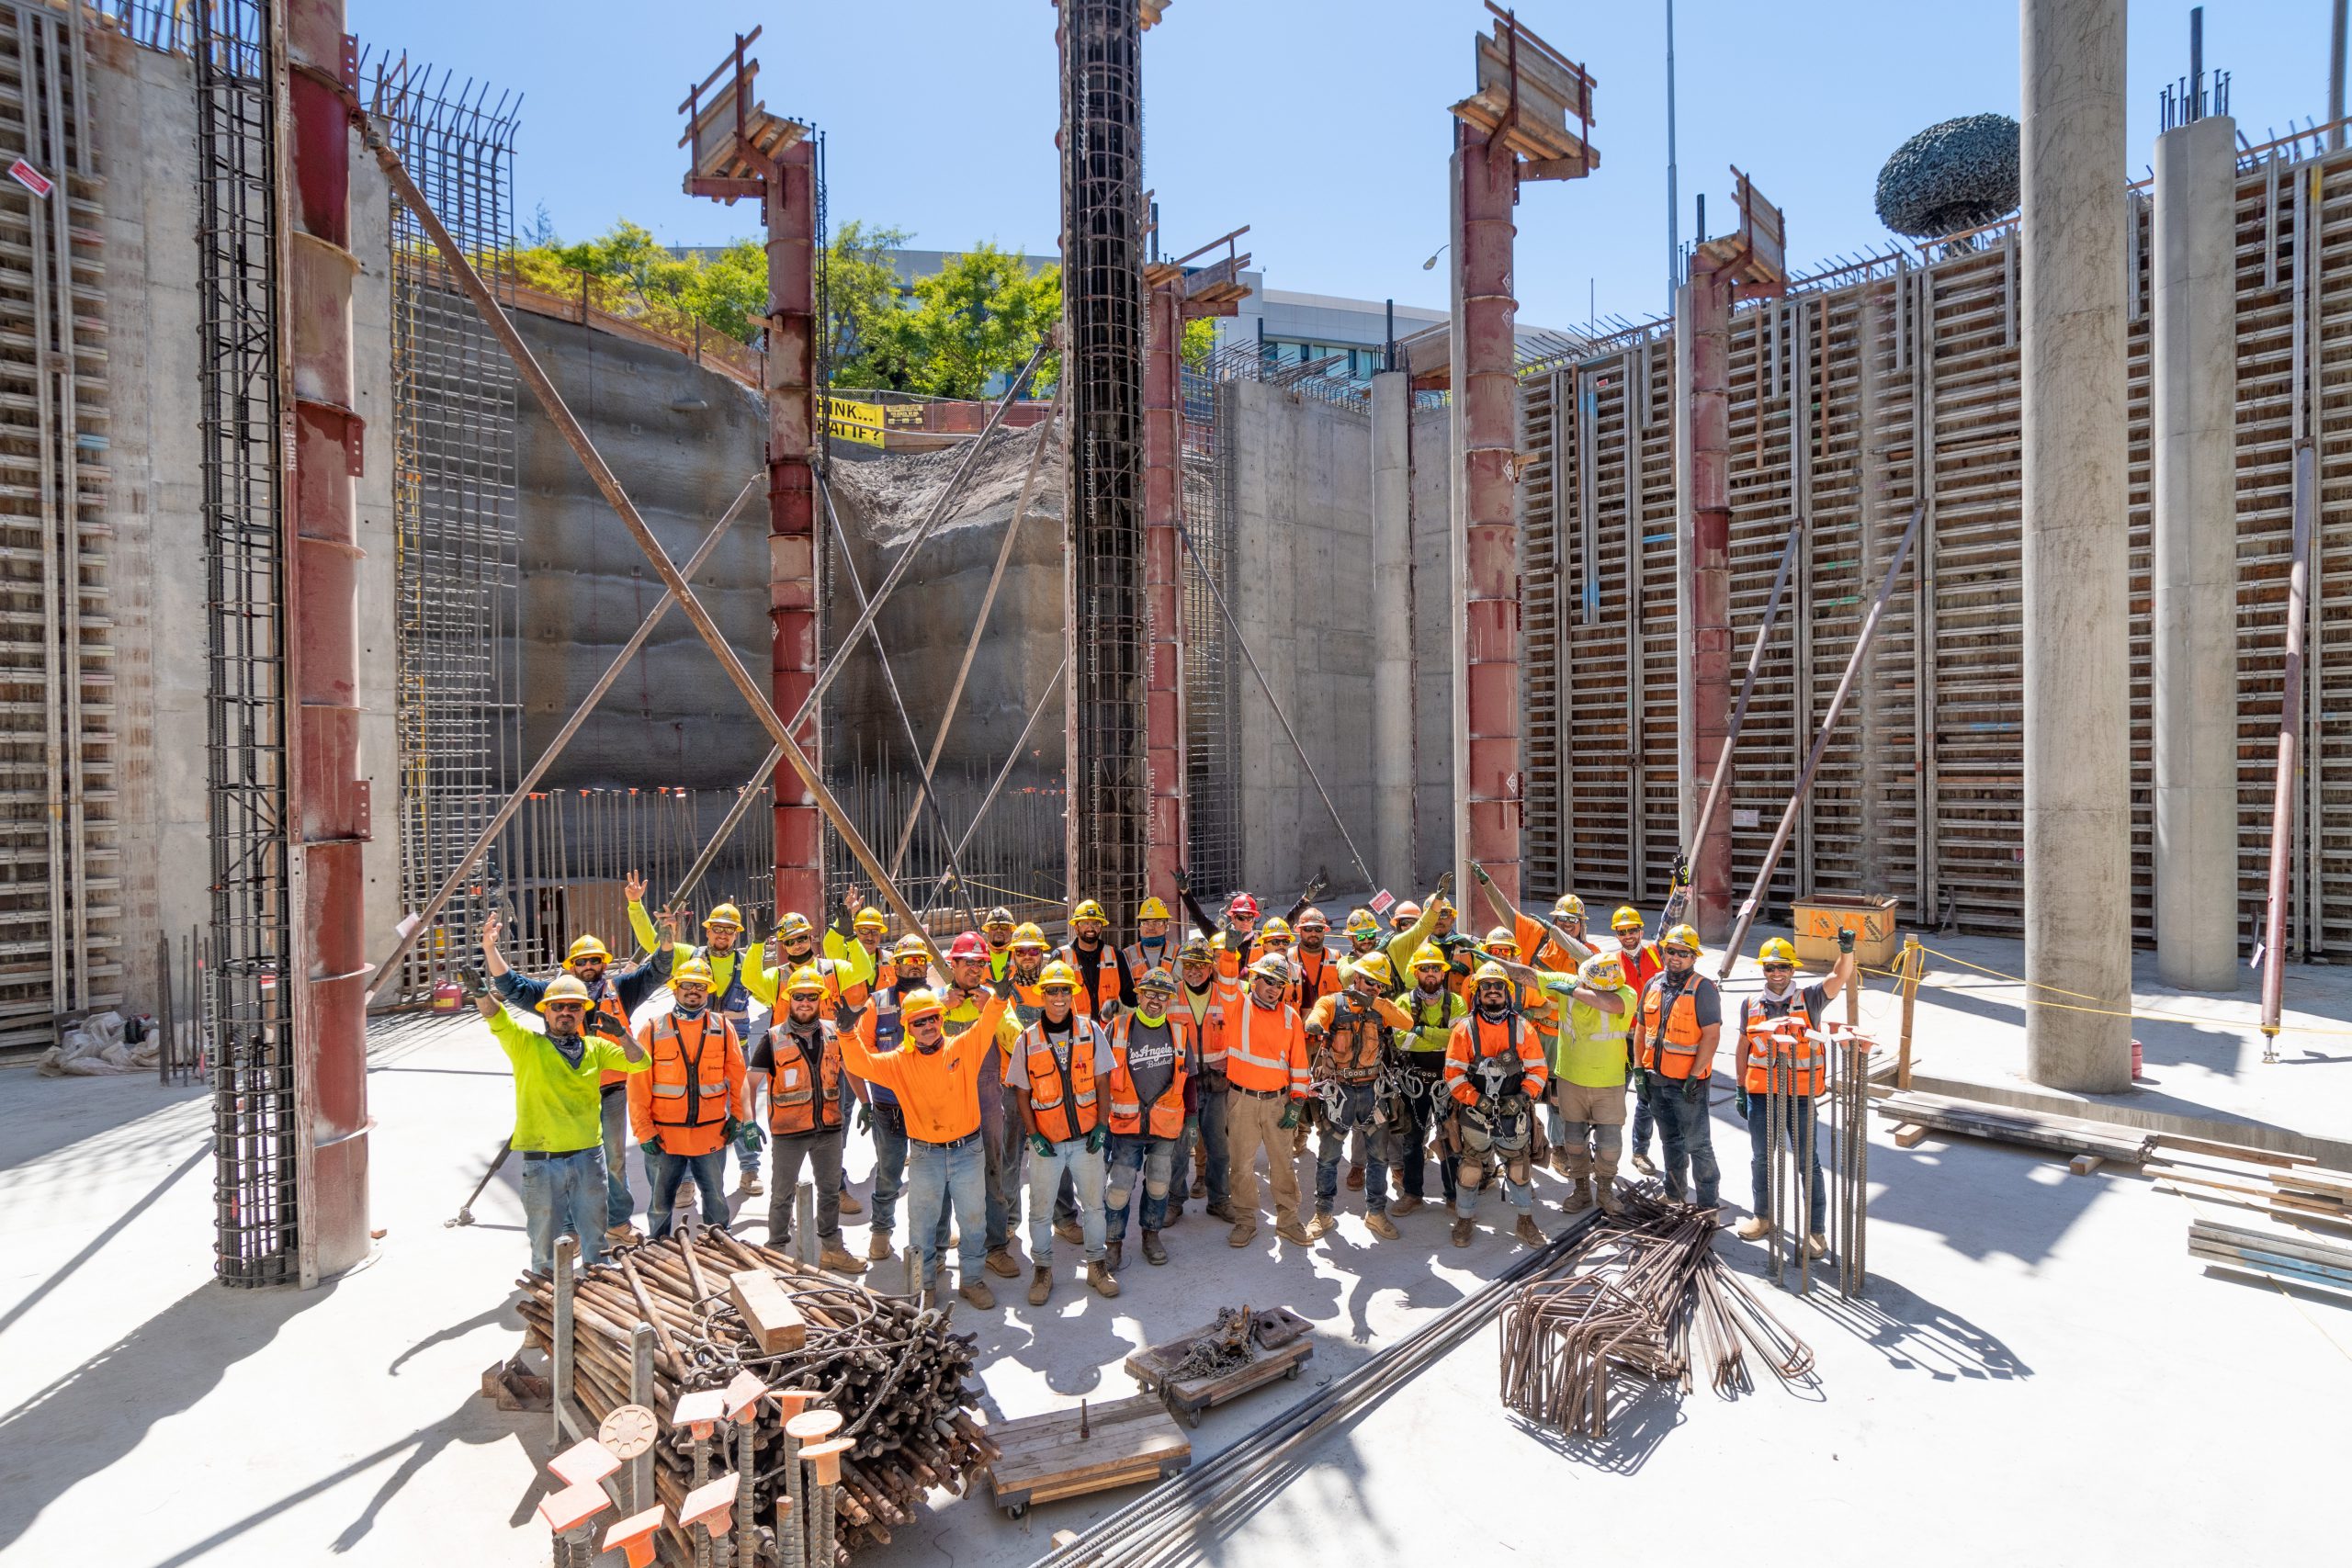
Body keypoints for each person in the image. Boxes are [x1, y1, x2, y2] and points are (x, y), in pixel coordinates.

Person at [481, 887, 668, 1248]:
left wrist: (665, 937)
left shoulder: (620, 990)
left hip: (611, 1091)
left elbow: (658, 971)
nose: (589, 967)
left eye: (595, 961)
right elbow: (512, 985)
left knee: (612, 1161)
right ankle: (570, 1229)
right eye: (582, 961)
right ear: (571, 965)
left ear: (603, 963)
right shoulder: (555, 996)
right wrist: (490, 949)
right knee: (567, 1161)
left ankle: (616, 1223)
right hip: (568, 1092)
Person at [838, 972, 1015, 1309]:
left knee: (973, 1221)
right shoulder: (898, 1063)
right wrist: (847, 1033)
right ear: (909, 1027)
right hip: (925, 1155)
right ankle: (924, 1286)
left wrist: (1000, 999)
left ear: (941, 1018)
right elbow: (859, 1062)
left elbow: (988, 1022)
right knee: (922, 1226)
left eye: (933, 1018)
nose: (928, 1026)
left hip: (968, 1151)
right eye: (919, 1022)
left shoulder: (963, 1048)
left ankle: (973, 1281)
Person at [472, 969, 647, 1273]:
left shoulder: (597, 1049)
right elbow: (497, 1018)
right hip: (543, 1162)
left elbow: (641, 1062)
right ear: (546, 1012)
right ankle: (548, 1303)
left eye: (574, 1007)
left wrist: (620, 1034)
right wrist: (480, 993)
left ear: (583, 1013)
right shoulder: (526, 1045)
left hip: (589, 1158)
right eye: (558, 1006)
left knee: (596, 1239)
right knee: (544, 1242)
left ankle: (599, 1288)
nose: (565, 1013)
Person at [1734, 931, 1856, 1255]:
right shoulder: (1750, 1004)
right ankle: (1763, 1217)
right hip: (1761, 1095)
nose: (1777, 973)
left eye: (1783, 967)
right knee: (1762, 1160)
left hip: (1799, 1096)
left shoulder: (1810, 998)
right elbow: (1743, 1047)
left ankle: (1816, 1233)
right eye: (1771, 967)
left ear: (1792, 970)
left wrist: (1846, 951)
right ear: (1763, 969)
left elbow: (1839, 975)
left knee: (1807, 1164)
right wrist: (1740, 1087)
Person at [1007, 962, 1120, 1303]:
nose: (1058, 997)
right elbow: (1022, 1093)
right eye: (1052, 990)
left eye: (1064, 990)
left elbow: (1103, 1080)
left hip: (1087, 1140)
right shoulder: (1027, 1040)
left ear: (1073, 994)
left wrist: (1103, 1124)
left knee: (1094, 1207)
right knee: (1041, 1211)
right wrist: (1033, 1135)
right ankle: (1042, 1271)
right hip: (1048, 1144)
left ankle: (1097, 1267)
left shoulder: (1090, 1030)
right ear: (1042, 995)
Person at [749, 965, 865, 1273]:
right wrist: (748, 1121)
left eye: (811, 997)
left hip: (828, 1129)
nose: (804, 1002)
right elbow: (750, 1083)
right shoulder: (773, 1038)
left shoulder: (832, 1032)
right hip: (789, 1132)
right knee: (781, 1195)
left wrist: (866, 1103)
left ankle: (831, 1249)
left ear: (819, 1000)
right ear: (789, 1000)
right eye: (799, 996)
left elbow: (851, 1069)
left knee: (830, 1192)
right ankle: (777, 1254)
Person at [627, 957, 749, 1240]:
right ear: (675, 989)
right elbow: (638, 1085)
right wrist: (643, 1130)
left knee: (715, 1200)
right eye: (688, 986)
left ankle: (719, 1246)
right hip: (665, 1138)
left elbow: (738, 1077)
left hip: (711, 1135)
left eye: (701, 987)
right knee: (659, 1206)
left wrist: (739, 1117)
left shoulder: (722, 1027)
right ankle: (658, 1249)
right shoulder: (653, 1029)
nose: (694, 991)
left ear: (708, 992)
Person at [934, 931, 1025, 1280]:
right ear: (952, 964)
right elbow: (910, 1036)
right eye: (968, 963)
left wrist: (998, 1006)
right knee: (942, 1176)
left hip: (987, 1096)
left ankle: (996, 1247)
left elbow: (1015, 1038)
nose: (974, 970)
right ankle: (939, 1250)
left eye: (980, 963)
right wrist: (944, 1005)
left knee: (995, 1173)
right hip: (946, 1098)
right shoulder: (936, 1003)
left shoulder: (994, 1002)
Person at [1305, 953, 1411, 1241]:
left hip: (1373, 1090)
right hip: (1339, 1091)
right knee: (1328, 1156)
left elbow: (1406, 1022)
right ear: (1356, 978)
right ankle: (1323, 1214)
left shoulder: (1381, 1008)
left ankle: (1376, 1214)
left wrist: (1374, 1002)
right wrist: (1315, 1024)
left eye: (1379, 985)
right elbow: (1317, 1013)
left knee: (1378, 1157)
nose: (1373, 987)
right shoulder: (1333, 1002)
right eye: (1369, 982)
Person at [1442, 962, 1550, 1247]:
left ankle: (1525, 1220)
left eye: (1498, 986)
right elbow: (1452, 1073)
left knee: (1518, 1166)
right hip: (1475, 1113)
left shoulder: (1523, 1028)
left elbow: (1538, 1070)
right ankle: (1464, 1218)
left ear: (1508, 992)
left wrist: (1524, 1096)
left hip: (1514, 1114)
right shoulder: (1464, 1029)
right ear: (1478, 994)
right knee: (1471, 1167)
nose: (1492, 991)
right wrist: (1474, 1099)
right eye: (1486, 987)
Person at [1102, 964, 1195, 1269]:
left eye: (1163, 996)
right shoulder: (1116, 1028)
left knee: (1158, 1185)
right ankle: (1113, 1242)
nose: (1156, 1001)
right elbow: (1099, 1076)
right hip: (1125, 1125)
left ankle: (1151, 1235)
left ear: (1170, 1000)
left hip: (1164, 1126)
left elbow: (1189, 1080)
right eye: (1151, 994)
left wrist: (1192, 1120)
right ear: (1139, 995)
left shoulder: (1179, 1033)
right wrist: (1098, 1121)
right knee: (1118, 1188)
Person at [1220, 951, 1313, 1247]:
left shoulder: (1290, 1017)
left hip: (1278, 1103)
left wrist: (1297, 1102)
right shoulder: (1238, 1006)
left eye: (1279, 984)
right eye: (1268, 981)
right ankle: (1245, 1221)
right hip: (1242, 1101)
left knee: (1283, 1164)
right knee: (1242, 1166)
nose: (1273, 988)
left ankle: (1288, 1220)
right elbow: (1225, 983)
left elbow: (1299, 1063)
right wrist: (1227, 954)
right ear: (1254, 979)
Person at [849, 933, 931, 1260]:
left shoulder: (935, 999)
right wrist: (866, 1102)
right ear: (894, 965)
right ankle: (881, 1231)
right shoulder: (877, 1003)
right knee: (889, 1173)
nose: (913, 968)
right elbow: (858, 1055)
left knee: (931, 1175)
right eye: (906, 962)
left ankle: (933, 1231)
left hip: (929, 1104)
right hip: (889, 1106)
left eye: (919, 961)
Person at [1632, 922, 1723, 1213]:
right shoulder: (1653, 984)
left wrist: (1695, 1075)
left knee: (1698, 1145)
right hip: (1656, 1080)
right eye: (1672, 951)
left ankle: (1708, 1204)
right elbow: (1641, 1029)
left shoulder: (1703, 989)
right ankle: (1674, 1193)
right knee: (1670, 1140)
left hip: (1688, 1084)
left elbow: (1711, 1035)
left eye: (1684, 953)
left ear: (1693, 957)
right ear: (1663, 951)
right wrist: (1637, 1070)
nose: (1676, 957)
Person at [1543, 950, 1638, 1215]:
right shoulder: (1570, 982)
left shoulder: (1626, 994)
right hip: (1572, 1079)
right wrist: (1491, 958)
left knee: (1609, 1144)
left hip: (1608, 1082)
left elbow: (1611, 1005)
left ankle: (1605, 1191)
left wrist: (1572, 992)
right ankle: (1582, 1190)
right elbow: (1529, 976)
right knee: (1574, 1139)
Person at [1169, 934, 1239, 1225]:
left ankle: (1219, 1199)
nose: (1194, 970)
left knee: (1219, 1148)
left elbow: (1242, 1032)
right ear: (1181, 967)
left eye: (1201, 964)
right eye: (1188, 965)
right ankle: (1174, 1202)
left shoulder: (1226, 996)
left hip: (1217, 1083)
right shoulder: (1171, 996)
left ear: (1211, 968)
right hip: (1182, 1086)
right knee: (1178, 1149)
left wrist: (1232, 1060)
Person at [1391, 942, 1466, 1215]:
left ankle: (1454, 1194)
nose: (1431, 973)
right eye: (1425, 969)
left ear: (1443, 973)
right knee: (1413, 1138)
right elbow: (1403, 1040)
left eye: (1436, 968)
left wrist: (1420, 1030)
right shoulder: (1403, 1002)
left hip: (1446, 1080)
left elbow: (1457, 1041)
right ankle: (1412, 1193)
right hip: (1414, 1081)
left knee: (1450, 1136)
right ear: (1416, 973)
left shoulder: (1456, 1002)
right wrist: (1438, 1036)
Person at [1609, 907, 1667, 1174]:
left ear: (1641, 931)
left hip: (1652, 1040)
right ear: (1617, 935)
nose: (1629, 936)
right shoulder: (1611, 964)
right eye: (1623, 932)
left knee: (1647, 1098)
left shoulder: (1657, 952)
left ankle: (1640, 1152)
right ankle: (1608, 1151)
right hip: (1623, 1040)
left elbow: (1670, 919)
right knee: (1613, 1097)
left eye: (1633, 930)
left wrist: (1681, 888)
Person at [1058, 898, 1130, 1021]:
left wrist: (1118, 1008)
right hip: (1075, 1035)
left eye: (1096, 923)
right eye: (1085, 923)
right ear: (1076, 927)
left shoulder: (1117, 956)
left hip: (1109, 1034)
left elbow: (1130, 1000)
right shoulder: (1061, 956)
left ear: (1101, 928)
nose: (1090, 928)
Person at [1117, 897, 1179, 1007]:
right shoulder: (1126, 955)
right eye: (1146, 922)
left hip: (1169, 1017)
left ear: (1166, 926)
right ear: (1140, 926)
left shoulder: (1178, 953)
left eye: (1157, 923)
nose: (1151, 927)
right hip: (1138, 1017)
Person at [979, 907, 1019, 981]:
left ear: (1011, 930)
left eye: (1004, 926)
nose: (999, 930)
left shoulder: (1021, 954)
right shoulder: (979, 954)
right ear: (988, 930)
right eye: (994, 926)